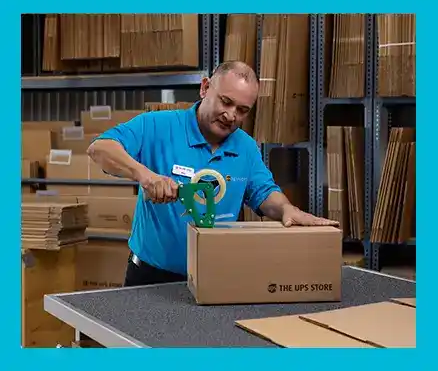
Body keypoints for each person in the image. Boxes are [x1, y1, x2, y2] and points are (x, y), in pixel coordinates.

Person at [87, 60, 339, 287]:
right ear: (205, 87)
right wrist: (145, 175)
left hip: (217, 278)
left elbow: (264, 192)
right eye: (226, 102)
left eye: (242, 110)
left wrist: (286, 209)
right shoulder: (156, 125)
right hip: (151, 279)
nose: (231, 116)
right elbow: (100, 148)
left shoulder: (246, 147)